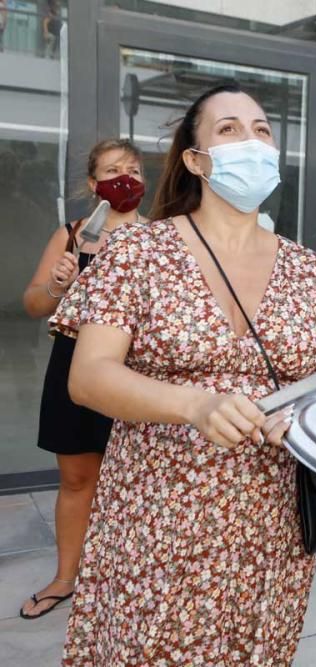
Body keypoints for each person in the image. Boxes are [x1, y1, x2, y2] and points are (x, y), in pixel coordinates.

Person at [52, 83, 316, 664]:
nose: (252, 142)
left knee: (254, 650)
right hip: (158, 517)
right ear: (196, 160)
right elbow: (88, 378)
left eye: (262, 130)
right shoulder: (139, 251)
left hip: (269, 526)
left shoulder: (309, 269)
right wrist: (194, 405)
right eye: (229, 129)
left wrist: (300, 416)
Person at [19, 139, 147, 620]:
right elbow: (33, 304)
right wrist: (57, 283)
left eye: (133, 170)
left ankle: (128, 583)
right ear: (94, 184)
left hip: (136, 376)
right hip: (72, 369)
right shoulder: (73, 235)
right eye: (113, 170)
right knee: (76, 479)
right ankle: (65, 578)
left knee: (137, 484)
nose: (126, 178)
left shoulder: (160, 239)